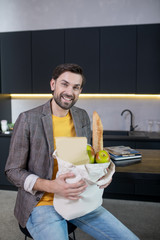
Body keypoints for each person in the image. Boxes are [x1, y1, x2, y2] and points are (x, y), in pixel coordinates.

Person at [5, 63, 139, 240]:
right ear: (53, 85)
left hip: (78, 199)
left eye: (76, 87)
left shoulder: (82, 116)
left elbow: (87, 160)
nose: (70, 92)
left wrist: (103, 174)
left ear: (80, 91)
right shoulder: (28, 119)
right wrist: (51, 186)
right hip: (41, 203)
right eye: (64, 84)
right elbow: (13, 171)